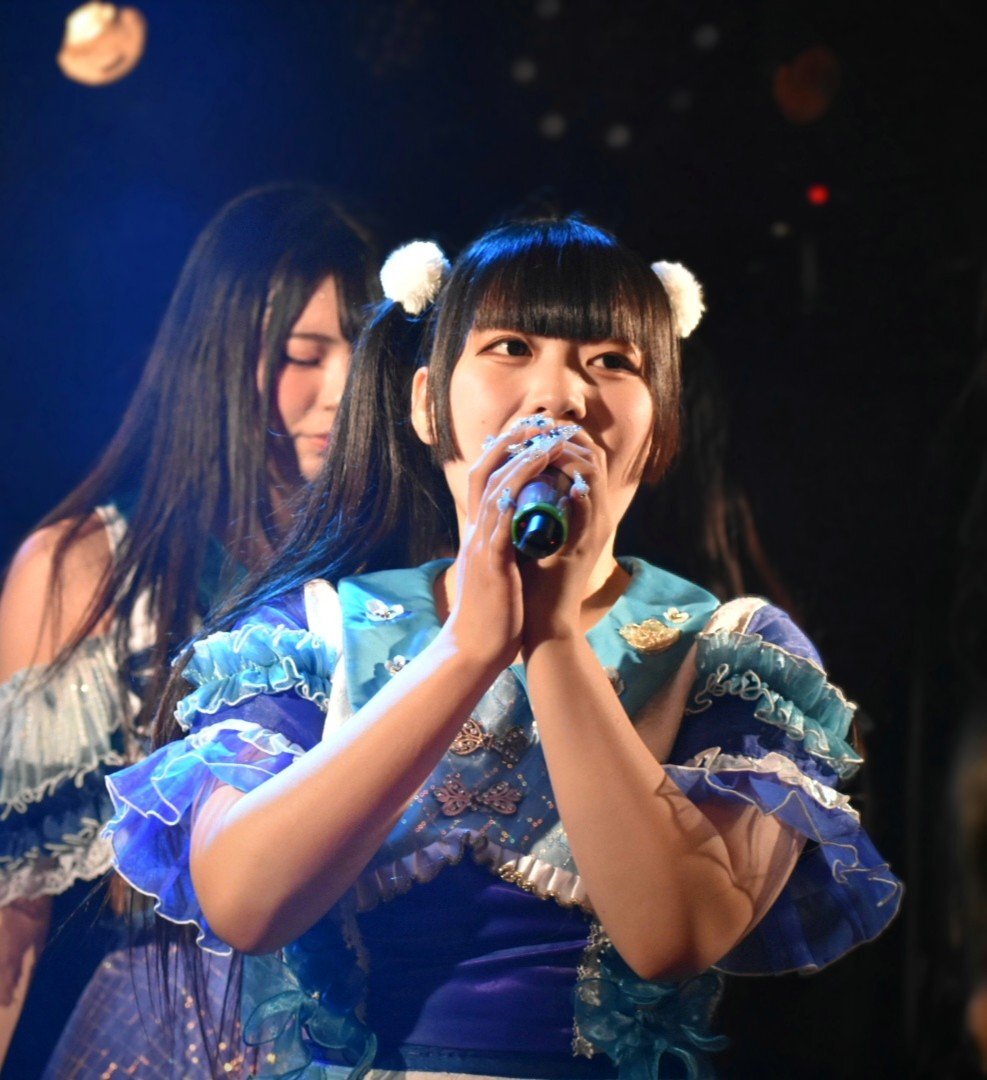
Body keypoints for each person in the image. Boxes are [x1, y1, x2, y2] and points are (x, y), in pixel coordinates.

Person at [106, 216, 901, 1079]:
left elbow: (673, 934)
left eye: (612, 361)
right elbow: (243, 904)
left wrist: (551, 638)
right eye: (511, 347)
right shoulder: (316, 632)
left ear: (660, 429)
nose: (560, 397)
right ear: (425, 403)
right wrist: (466, 649)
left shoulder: (729, 654)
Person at [0, 182, 377, 1077]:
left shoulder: (396, 577)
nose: (340, 390)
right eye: (302, 355)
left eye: (362, 355)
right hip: (168, 1025)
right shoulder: (89, 564)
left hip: (357, 1024)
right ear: (220, 357)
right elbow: (14, 907)